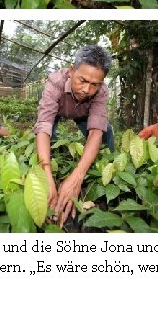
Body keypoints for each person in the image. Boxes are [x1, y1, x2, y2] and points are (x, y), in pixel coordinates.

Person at [34, 44, 114, 225]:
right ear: (71, 71)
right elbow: (44, 124)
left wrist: (77, 176)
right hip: (58, 113)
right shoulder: (55, 81)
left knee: (107, 132)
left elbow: (95, 131)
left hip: (83, 115)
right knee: (46, 138)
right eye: (82, 80)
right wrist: (46, 174)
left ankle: (108, 167)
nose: (87, 90)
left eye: (94, 84)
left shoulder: (101, 92)